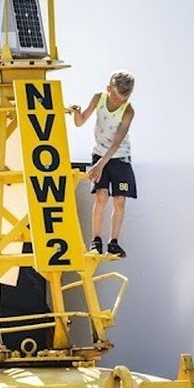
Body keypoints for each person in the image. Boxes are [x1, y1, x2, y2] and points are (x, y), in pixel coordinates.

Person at [68, 70, 136, 258]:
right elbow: (80, 122)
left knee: (120, 199)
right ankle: (95, 240)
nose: (118, 102)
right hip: (100, 154)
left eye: (123, 99)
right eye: (115, 97)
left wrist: (100, 165)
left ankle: (113, 242)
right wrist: (76, 112)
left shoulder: (128, 111)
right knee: (101, 196)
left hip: (119, 156)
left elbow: (117, 143)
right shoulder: (98, 99)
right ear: (108, 89)